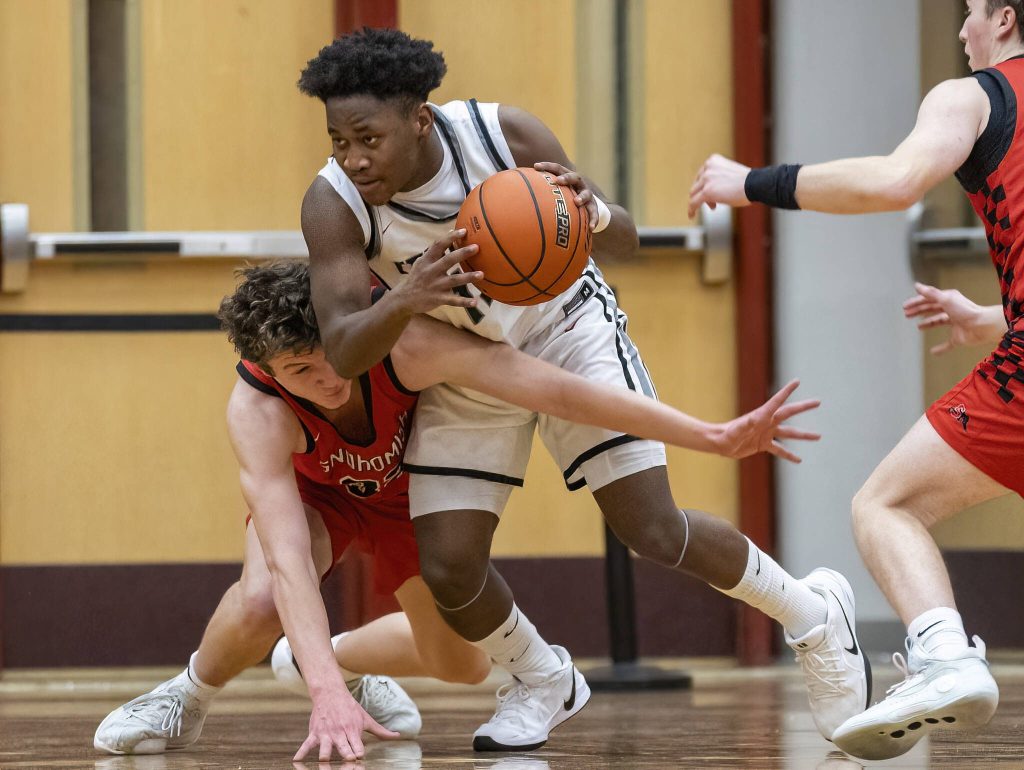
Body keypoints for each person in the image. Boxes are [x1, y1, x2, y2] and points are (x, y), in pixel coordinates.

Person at [297, 28, 870, 753]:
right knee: (447, 563)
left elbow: (625, 239)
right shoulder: (334, 203)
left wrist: (590, 212)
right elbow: (345, 348)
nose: (353, 156)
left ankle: (813, 615)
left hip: (568, 327)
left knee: (651, 529)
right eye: (339, 139)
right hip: (469, 358)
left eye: (367, 137)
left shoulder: (502, 135)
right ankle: (541, 678)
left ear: (418, 118)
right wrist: (405, 298)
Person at [94, 261, 822, 763]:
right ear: (266, 370)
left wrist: (705, 433)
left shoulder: (401, 345)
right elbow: (288, 562)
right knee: (261, 599)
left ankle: (334, 661)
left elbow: (548, 388)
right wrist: (323, 703)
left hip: (414, 493)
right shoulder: (255, 410)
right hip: (322, 501)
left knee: (463, 666)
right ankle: (186, 696)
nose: (326, 382)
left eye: (328, 358)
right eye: (299, 374)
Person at [687, 0, 1024, 759]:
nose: (963, 30)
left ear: (1003, 18)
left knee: (887, 503)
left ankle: (943, 657)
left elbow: (896, 180)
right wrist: (994, 314)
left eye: (969, 12)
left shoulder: (972, 95)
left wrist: (751, 183)